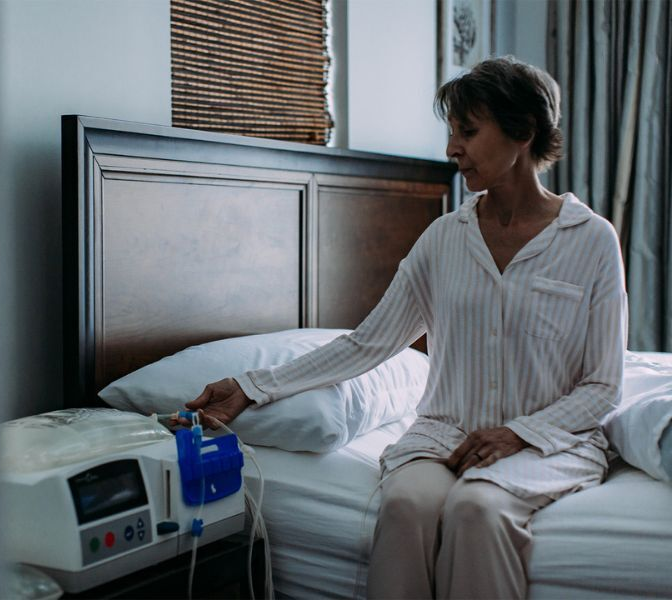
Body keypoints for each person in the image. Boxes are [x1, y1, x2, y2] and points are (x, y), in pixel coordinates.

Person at [182, 56, 628, 599]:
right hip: (446, 432)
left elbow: (603, 385)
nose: (451, 149)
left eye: (468, 131)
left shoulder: (591, 239)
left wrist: (518, 434)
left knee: (477, 509)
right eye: (452, 132)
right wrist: (252, 387)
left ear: (524, 131)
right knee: (403, 505)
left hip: (548, 443)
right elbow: (368, 343)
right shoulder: (444, 239)